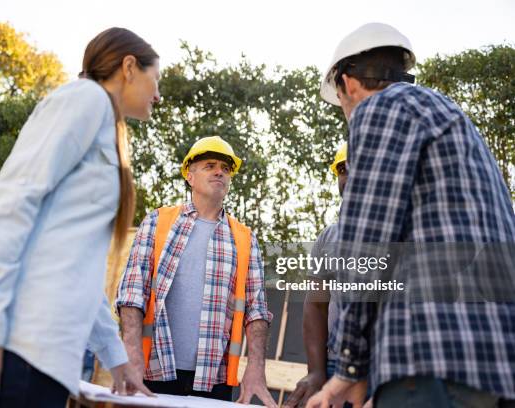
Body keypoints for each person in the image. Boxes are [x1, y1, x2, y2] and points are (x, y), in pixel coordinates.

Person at [0, 27, 160, 408]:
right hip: (14, 350)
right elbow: (9, 205)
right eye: (157, 79)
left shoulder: (106, 126)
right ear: (129, 66)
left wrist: (117, 359)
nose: (159, 94)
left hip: (43, 362)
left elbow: (75, 268)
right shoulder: (84, 99)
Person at [306, 22, 515, 408]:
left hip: (433, 358)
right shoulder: (450, 117)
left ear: (348, 84)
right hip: (493, 364)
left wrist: (349, 368)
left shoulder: (380, 108)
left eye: (341, 102)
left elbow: (366, 248)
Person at [116, 136, 277, 407]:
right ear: (189, 176)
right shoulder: (158, 222)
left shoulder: (244, 238)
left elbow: (256, 311)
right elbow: (132, 293)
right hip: (153, 372)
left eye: (226, 169)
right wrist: (131, 354)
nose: (219, 172)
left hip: (214, 381)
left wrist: (256, 369)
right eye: (210, 165)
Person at [284, 143, 349, 408]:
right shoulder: (328, 237)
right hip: (333, 364)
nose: (350, 174)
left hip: (381, 369)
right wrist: (317, 371)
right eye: (343, 169)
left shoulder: (400, 232)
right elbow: (316, 305)